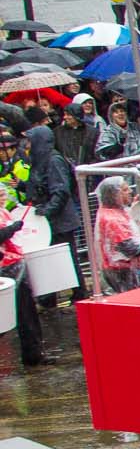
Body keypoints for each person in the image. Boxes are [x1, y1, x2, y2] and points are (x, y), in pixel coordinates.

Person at [22, 109, 82, 291]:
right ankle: (52, 295)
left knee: (68, 259)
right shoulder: (39, 160)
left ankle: (79, 292)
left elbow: (61, 191)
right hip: (51, 220)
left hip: (60, 220)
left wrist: (47, 211)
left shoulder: (54, 160)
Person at [0, 149, 46, 365]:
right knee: (20, 314)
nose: (2, 196)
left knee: (27, 312)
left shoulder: (4, 211)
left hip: (15, 266)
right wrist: (12, 229)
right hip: (6, 270)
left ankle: (34, 352)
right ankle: (32, 354)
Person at [94, 176, 140, 293]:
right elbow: (131, 249)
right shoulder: (113, 220)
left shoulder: (112, 211)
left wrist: (134, 206)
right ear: (114, 195)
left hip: (120, 270)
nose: (130, 191)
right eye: (124, 190)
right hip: (122, 272)